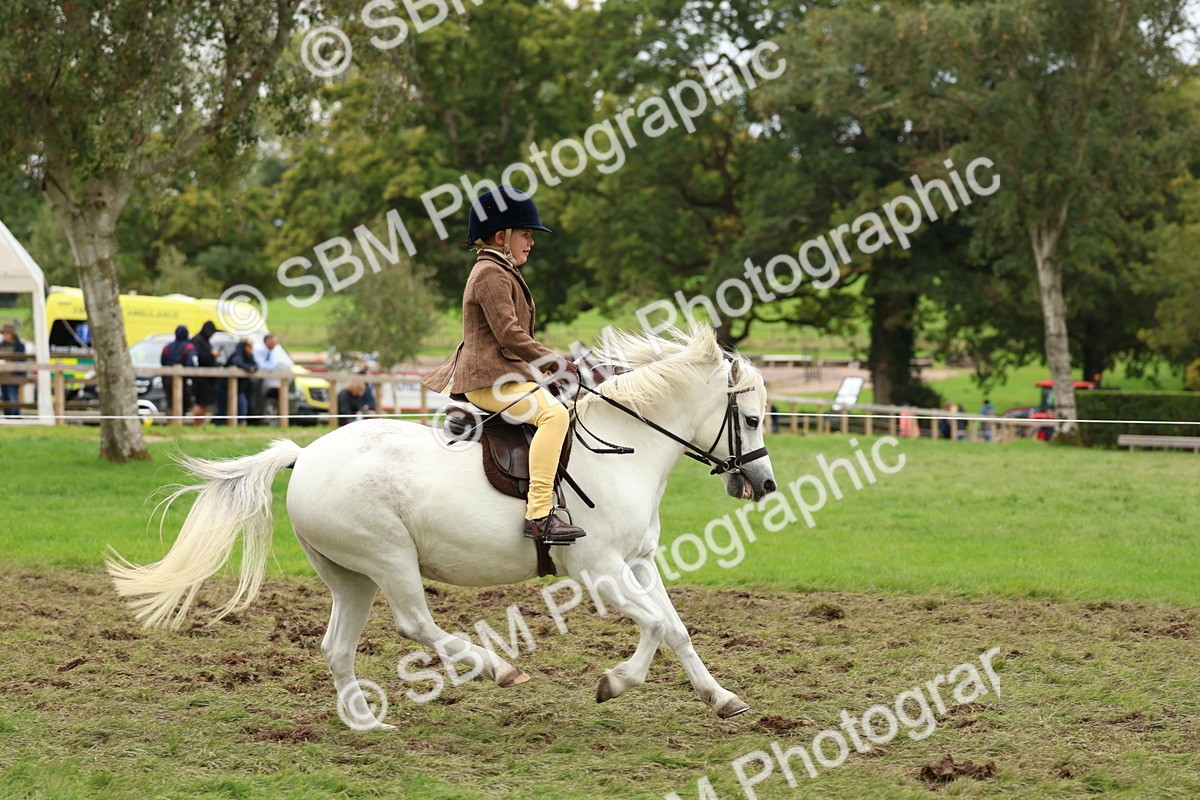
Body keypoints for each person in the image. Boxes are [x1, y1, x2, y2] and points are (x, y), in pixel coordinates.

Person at [422, 185, 583, 545]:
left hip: (505, 376)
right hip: (489, 381)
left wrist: (542, 373)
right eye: (526, 234)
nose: (531, 242)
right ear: (501, 235)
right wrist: (555, 363)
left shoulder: (500, 270)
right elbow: (509, 335)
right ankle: (540, 515)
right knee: (553, 416)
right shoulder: (490, 274)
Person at [160, 325, 197, 420]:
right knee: (184, 401)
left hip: (167, 378)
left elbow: (163, 361)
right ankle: (179, 421)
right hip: (184, 380)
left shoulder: (167, 347)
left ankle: (171, 420)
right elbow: (192, 363)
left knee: (170, 401)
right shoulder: (189, 347)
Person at [191, 321, 219, 425]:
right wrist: (211, 355)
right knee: (201, 403)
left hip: (207, 379)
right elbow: (199, 357)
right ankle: (197, 424)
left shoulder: (204, 341)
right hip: (200, 379)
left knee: (204, 403)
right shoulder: (198, 340)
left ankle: (200, 424)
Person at [225, 338, 258, 425]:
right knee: (241, 404)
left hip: (242, 387)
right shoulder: (238, 354)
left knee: (244, 403)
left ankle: (241, 422)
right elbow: (237, 362)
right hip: (229, 387)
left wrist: (252, 368)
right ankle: (238, 423)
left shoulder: (249, 356)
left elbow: (256, 365)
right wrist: (248, 368)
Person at [0, 323, 26, 416]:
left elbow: (22, 362)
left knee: (13, 398)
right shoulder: (2, 345)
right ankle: (8, 416)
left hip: (13, 375)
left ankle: (15, 415)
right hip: (3, 376)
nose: (6, 336)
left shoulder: (19, 346)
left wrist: (22, 377)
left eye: (8, 334)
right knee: (6, 398)